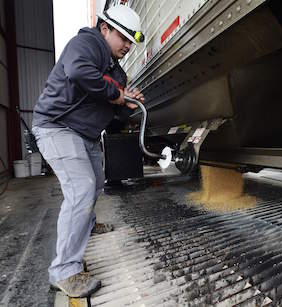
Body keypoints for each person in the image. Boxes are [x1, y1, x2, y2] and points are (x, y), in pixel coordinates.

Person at [32, 4, 145, 298]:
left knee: (94, 186)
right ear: (104, 29)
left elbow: (115, 114)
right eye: (124, 39)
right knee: (81, 188)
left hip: (86, 136)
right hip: (57, 127)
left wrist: (127, 105)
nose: (127, 47)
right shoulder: (88, 43)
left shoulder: (117, 73)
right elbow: (79, 71)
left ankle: (87, 224)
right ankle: (64, 271)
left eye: (131, 43)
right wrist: (118, 96)